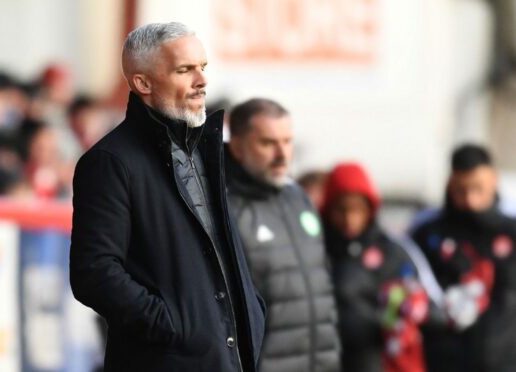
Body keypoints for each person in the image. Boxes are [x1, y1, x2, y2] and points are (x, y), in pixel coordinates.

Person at [70, 22, 265, 372]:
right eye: (184, 70)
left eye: (202, 67)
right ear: (143, 83)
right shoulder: (110, 162)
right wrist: (173, 326)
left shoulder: (207, 153)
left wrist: (253, 311)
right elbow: (94, 273)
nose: (202, 80)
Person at [225, 98, 340, 372]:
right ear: (238, 147)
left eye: (287, 142)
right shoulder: (225, 209)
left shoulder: (298, 198)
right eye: (268, 143)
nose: (282, 154)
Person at [410, 144, 515, 372]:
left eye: (478, 188)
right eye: (461, 190)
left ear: (493, 180)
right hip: (443, 361)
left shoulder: (511, 234)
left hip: (502, 362)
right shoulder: (428, 234)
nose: (470, 199)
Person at [322, 162, 429, 372]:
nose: (349, 219)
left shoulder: (392, 251)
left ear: (370, 209)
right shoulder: (316, 248)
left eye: (357, 210)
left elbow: (424, 304)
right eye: (341, 210)